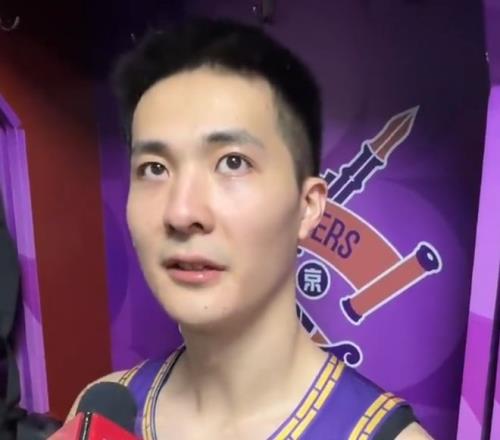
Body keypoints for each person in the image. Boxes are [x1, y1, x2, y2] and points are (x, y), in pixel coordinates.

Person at [68, 18, 432, 439]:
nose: (181, 212)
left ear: (308, 207)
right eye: (154, 168)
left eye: (232, 162)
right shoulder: (100, 410)